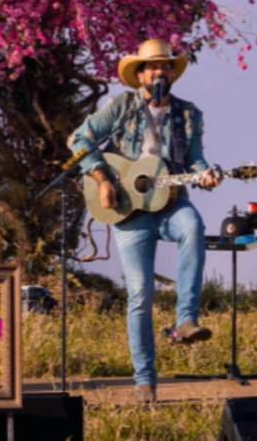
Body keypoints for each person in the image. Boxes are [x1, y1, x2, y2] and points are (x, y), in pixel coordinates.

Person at [67, 40, 219, 403]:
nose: (160, 72)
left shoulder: (189, 114)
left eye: (166, 66)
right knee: (140, 296)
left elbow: (196, 160)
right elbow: (80, 138)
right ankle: (144, 382)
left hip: (171, 201)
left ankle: (185, 320)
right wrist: (103, 179)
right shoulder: (121, 107)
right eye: (153, 67)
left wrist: (205, 174)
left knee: (193, 227)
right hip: (129, 209)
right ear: (140, 75)